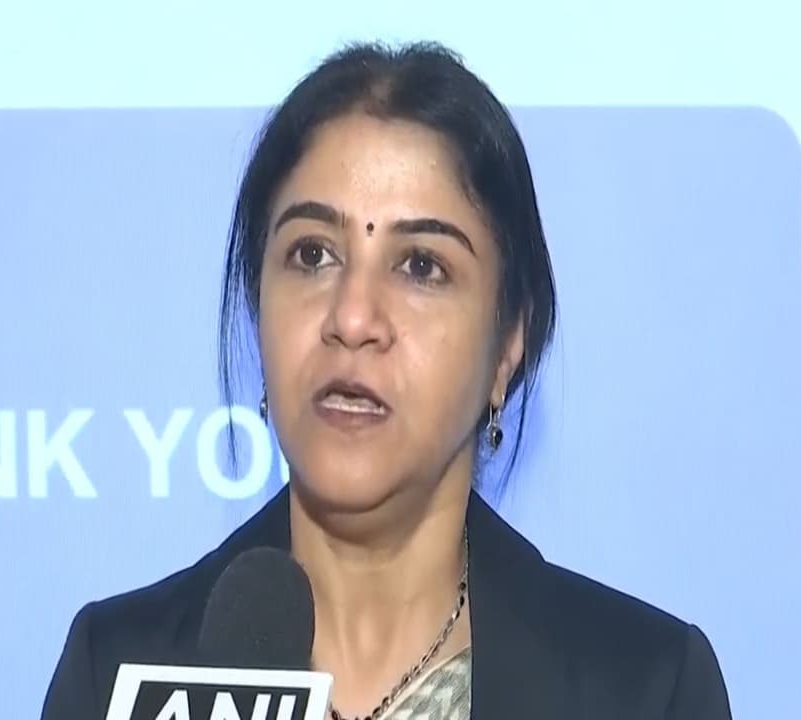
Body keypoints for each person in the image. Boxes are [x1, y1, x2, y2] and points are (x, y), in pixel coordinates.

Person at [41, 41, 732, 720]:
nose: (352, 318)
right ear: (257, 307)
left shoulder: (646, 691)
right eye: (312, 255)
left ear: (507, 346)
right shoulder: (116, 677)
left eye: (421, 266)